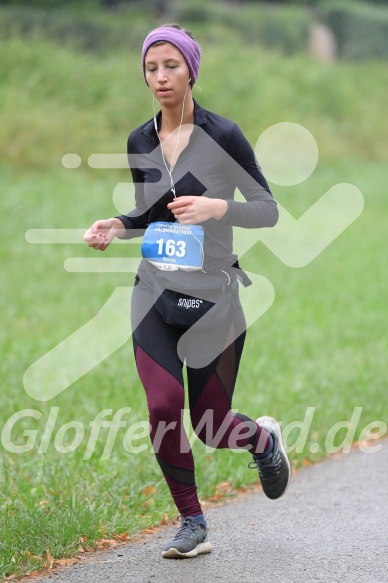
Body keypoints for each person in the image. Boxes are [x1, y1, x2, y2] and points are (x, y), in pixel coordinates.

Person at [83, 23, 291, 559]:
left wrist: (217, 208)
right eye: (151, 68)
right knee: (163, 405)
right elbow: (151, 215)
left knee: (211, 425)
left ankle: (264, 441)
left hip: (214, 297)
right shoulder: (140, 140)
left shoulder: (224, 136)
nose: (160, 77)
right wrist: (116, 225)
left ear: (191, 69)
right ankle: (192, 523)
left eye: (171, 66)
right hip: (154, 289)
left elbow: (267, 210)